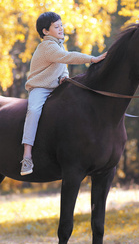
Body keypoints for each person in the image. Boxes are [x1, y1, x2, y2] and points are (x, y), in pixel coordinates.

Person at [20, 12, 107, 176]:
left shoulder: (59, 44)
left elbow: (62, 65)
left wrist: (64, 76)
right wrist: (92, 59)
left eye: (61, 25)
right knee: (34, 110)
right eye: (56, 26)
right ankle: (27, 156)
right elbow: (66, 57)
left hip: (55, 87)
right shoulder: (47, 46)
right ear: (46, 31)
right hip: (40, 88)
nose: (61, 29)